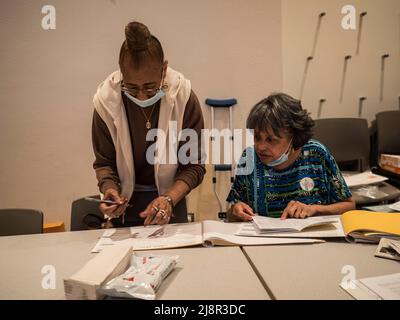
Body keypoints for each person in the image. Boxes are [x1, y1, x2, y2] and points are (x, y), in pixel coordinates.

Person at [92, 21, 205, 227]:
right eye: (132, 88)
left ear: (164, 69)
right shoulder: (105, 102)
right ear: (121, 74)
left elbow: (194, 166)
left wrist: (169, 198)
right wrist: (109, 189)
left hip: (171, 202)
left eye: (150, 88)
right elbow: (104, 163)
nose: (142, 97)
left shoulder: (183, 97)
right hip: (124, 207)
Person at [227, 93, 355, 221]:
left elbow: (349, 205)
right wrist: (235, 210)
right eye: (257, 137)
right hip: (265, 239)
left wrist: (315, 209)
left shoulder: (316, 154)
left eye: (271, 140)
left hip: (313, 238)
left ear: (294, 138)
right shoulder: (249, 158)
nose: (260, 147)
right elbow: (230, 214)